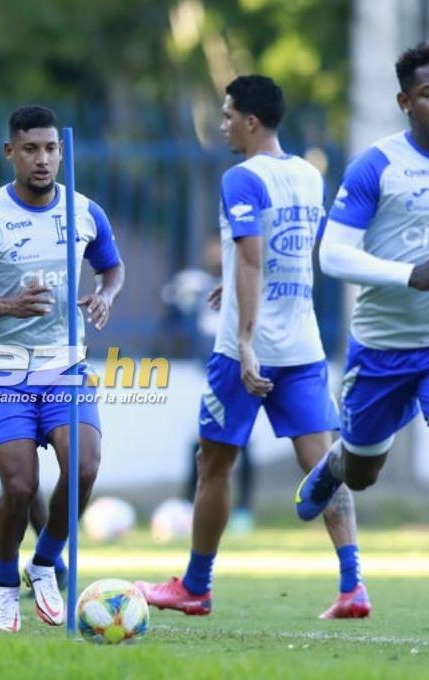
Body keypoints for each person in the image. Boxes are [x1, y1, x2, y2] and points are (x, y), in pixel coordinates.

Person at [296, 43, 429, 649]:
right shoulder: (376, 166)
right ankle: (335, 463)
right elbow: (331, 254)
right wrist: (407, 272)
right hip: (382, 350)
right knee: (363, 474)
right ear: (405, 102)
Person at [135, 75, 367, 620]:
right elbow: (288, 253)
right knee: (323, 465)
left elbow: (254, 258)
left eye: (227, 114)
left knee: (213, 464)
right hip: (303, 346)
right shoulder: (310, 175)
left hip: (247, 352)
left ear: (251, 121)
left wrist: (243, 339)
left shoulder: (241, 178)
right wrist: (237, 284)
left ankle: (196, 584)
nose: (222, 124)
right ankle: (353, 583)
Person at [0, 105, 125, 632]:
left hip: (64, 366)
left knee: (85, 467)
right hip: (2, 371)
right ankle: (5, 584)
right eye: (30, 149)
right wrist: (9, 306)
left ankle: (43, 563)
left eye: (51, 149)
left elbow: (112, 267)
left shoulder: (85, 211)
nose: (42, 159)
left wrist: (105, 296)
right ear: (11, 154)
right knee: (21, 487)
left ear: (61, 151)